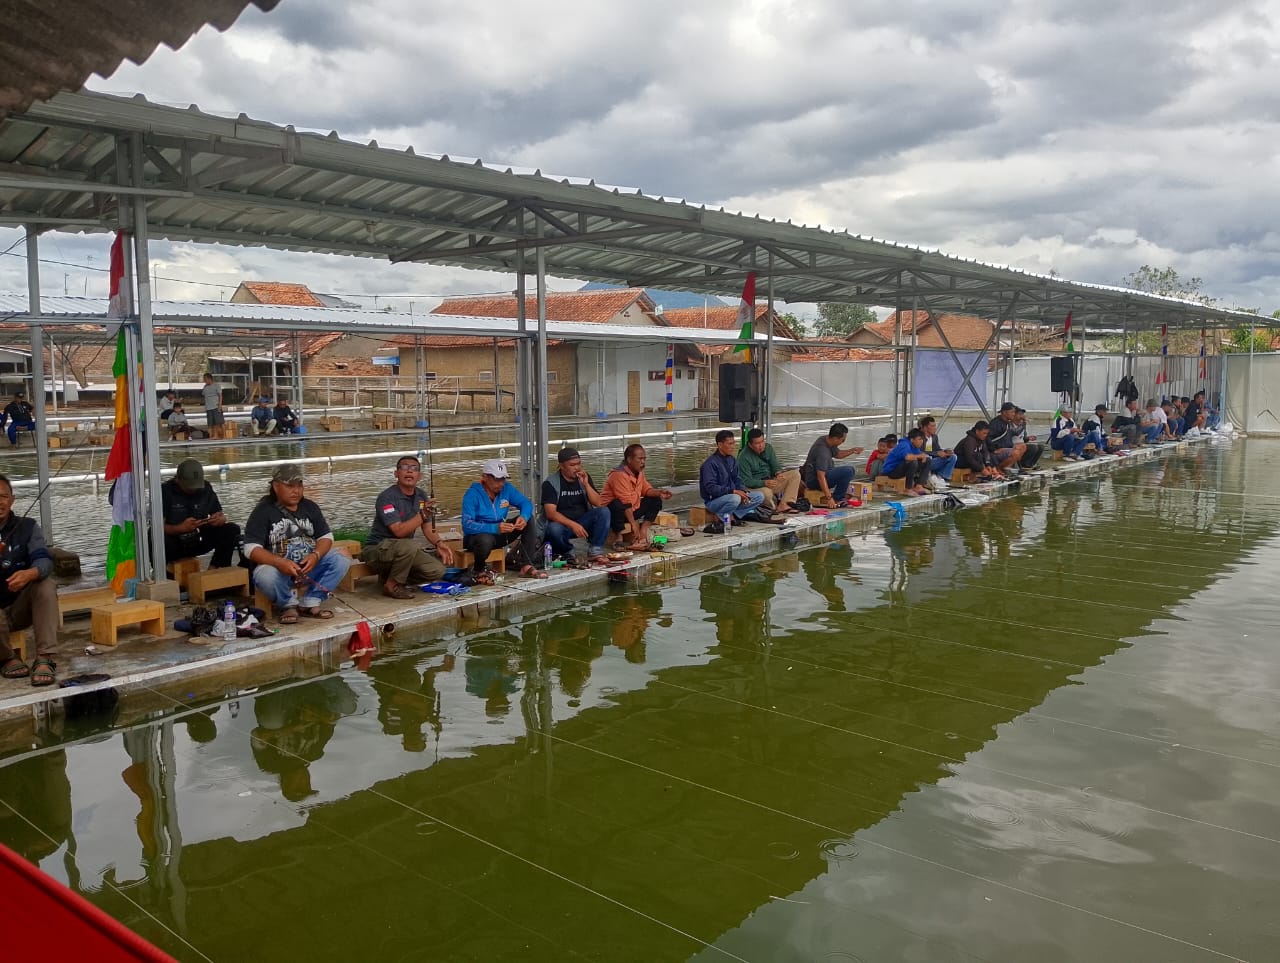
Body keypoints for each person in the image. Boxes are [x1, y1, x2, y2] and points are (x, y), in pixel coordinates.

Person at [243, 464, 351, 624]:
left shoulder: (310, 507)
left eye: (299, 485)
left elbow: (326, 537)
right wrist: (279, 562)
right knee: (264, 575)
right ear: (276, 486)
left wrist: (315, 555)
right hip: (279, 572)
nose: (296, 491)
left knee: (342, 558)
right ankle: (288, 604)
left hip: (308, 569)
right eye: (290, 486)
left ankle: (311, 601)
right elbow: (250, 549)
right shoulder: (262, 511)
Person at [364, 455, 455, 598]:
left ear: (419, 475)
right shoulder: (386, 497)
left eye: (414, 468)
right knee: (410, 545)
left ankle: (389, 578)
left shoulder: (421, 496)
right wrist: (423, 514)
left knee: (437, 570)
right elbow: (399, 531)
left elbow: (426, 527)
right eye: (404, 467)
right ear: (396, 473)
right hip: (377, 550)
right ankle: (392, 586)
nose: (409, 471)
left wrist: (439, 543)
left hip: (405, 550)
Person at [0, 475, 59, 686]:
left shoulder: (28, 526)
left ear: (12, 500)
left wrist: (30, 573)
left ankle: (45, 657)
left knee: (46, 584)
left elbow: (44, 560)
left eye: (3, 496)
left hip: (18, 609)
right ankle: (6, 658)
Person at [461, 459, 546, 579]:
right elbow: (467, 525)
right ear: (485, 477)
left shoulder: (507, 489)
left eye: (503, 479)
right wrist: (494, 528)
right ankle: (478, 569)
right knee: (485, 540)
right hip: (476, 538)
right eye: (497, 479)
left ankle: (526, 565)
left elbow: (525, 503)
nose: (501, 483)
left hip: (500, 534)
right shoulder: (472, 494)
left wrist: (523, 517)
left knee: (529, 520)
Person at [162, 459, 241, 569]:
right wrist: (180, 528)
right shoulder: (165, 491)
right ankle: (163, 570)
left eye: (196, 487)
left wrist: (219, 519)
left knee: (232, 529)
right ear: (178, 479)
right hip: (175, 542)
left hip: (199, 538)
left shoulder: (206, 488)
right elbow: (157, 528)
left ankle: (216, 567)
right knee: (154, 536)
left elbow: (219, 514)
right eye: (189, 487)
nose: (193, 490)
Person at [541, 447, 610, 565]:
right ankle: (568, 552)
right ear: (562, 466)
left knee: (604, 511)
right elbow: (551, 513)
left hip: (582, 522)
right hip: (562, 525)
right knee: (554, 529)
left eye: (579, 464)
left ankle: (595, 551)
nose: (577, 468)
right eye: (572, 465)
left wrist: (586, 485)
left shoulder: (584, 478)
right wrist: (573, 525)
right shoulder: (550, 483)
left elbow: (598, 503)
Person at [600, 444, 673, 549]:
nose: (643, 462)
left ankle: (644, 530)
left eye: (644, 459)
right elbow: (625, 502)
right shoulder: (618, 475)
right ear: (629, 459)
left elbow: (646, 490)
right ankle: (619, 538)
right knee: (617, 504)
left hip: (631, 510)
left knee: (655, 500)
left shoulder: (639, 472)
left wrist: (659, 492)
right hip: (614, 514)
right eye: (640, 459)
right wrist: (634, 525)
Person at [699, 429, 768, 525]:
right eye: (730, 444)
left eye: (734, 443)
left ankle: (733, 514)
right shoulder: (710, 464)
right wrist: (733, 491)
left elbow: (737, 480)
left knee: (759, 496)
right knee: (735, 498)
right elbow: (711, 488)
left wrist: (743, 492)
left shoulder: (732, 460)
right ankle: (721, 515)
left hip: (732, 496)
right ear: (720, 445)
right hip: (714, 501)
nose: (733, 446)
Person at [738, 428, 803, 513]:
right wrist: (764, 483)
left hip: (770, 481)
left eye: (762, 441)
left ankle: (786, 504)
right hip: (755, 487)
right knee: (767, 493)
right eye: (757, 443)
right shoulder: (743, 457)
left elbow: (775, 466)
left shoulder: (768, 448)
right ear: (750, 444)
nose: (761, 445)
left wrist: (778, 473)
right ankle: (772, 508)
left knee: (795, 474)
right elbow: (746, 481)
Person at [800, 422, 864, 508]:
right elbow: (820, 476)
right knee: (848, 471)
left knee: (850, 469)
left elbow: (838, 454)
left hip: (824, 474)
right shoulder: (822, 451)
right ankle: (838, 498)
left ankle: (839, 496)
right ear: (835, 438)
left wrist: (852, 450)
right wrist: (829, 498)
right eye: (842, 440)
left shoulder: (826, 440)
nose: (843, 442)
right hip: (814, 481)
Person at [880, 428, 933, 496]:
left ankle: (919, 486)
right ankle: (908, 489)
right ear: (912, 440)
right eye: (919, 439)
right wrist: (921, 456)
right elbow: (907, 457)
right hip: (891, 471)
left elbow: (920, 456)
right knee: (913, 462)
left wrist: (923, 456)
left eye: (922, 439)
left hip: (901, 469)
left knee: (928, 460)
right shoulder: (904, 444)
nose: (922, 441)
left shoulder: (915, 446)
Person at [986, 403, 1028, 473]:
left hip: (1006, 448)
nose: (1014, 414)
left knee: (1023, 446)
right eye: (1012, 412)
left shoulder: (1007, 423)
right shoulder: (996, 423)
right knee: (1016, 452)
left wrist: (1024, 423)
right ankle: (999, 468)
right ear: (1004, 412)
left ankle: (1008, 467)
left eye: (1014, 412)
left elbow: (1016, 432)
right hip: (997, 451)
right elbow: (986, 438)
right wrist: (993, 450)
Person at [918, 416, 958, 483]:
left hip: (934, 459)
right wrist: (937, 453)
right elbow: (919, 451)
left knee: (953, 457)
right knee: (931, 460)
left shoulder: (934, 437)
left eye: (935, 426)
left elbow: (937, 449)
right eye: (932, 426)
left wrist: (945, 452)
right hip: (924, 461)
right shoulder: (919, 437)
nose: (935, 428)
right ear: (925, 428)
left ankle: (942, 477)